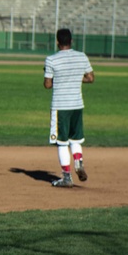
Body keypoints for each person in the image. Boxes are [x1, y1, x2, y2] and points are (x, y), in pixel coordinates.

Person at [44, 28, 94, 188]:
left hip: (61, 106)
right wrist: (75, 79)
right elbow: (90, 78)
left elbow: (47, 84)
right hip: (77, 105)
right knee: (75, 139)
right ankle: (78, 161)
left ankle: (66, 177)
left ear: (57, 42)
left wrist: (59, 79)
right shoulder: (82, 56)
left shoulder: (51, 59)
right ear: (71, 41)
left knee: (62, 142)